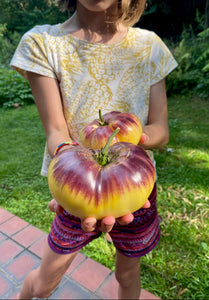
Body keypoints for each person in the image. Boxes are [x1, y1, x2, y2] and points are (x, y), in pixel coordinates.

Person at [10, 0, 177, 299]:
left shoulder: (150, 47)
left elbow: (160, 130)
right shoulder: (43, 44)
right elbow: (57, 131)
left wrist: (133, 138)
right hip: (77, 187)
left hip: (135, 191)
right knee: (46, 281)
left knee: (127, 274)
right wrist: (65, 164)